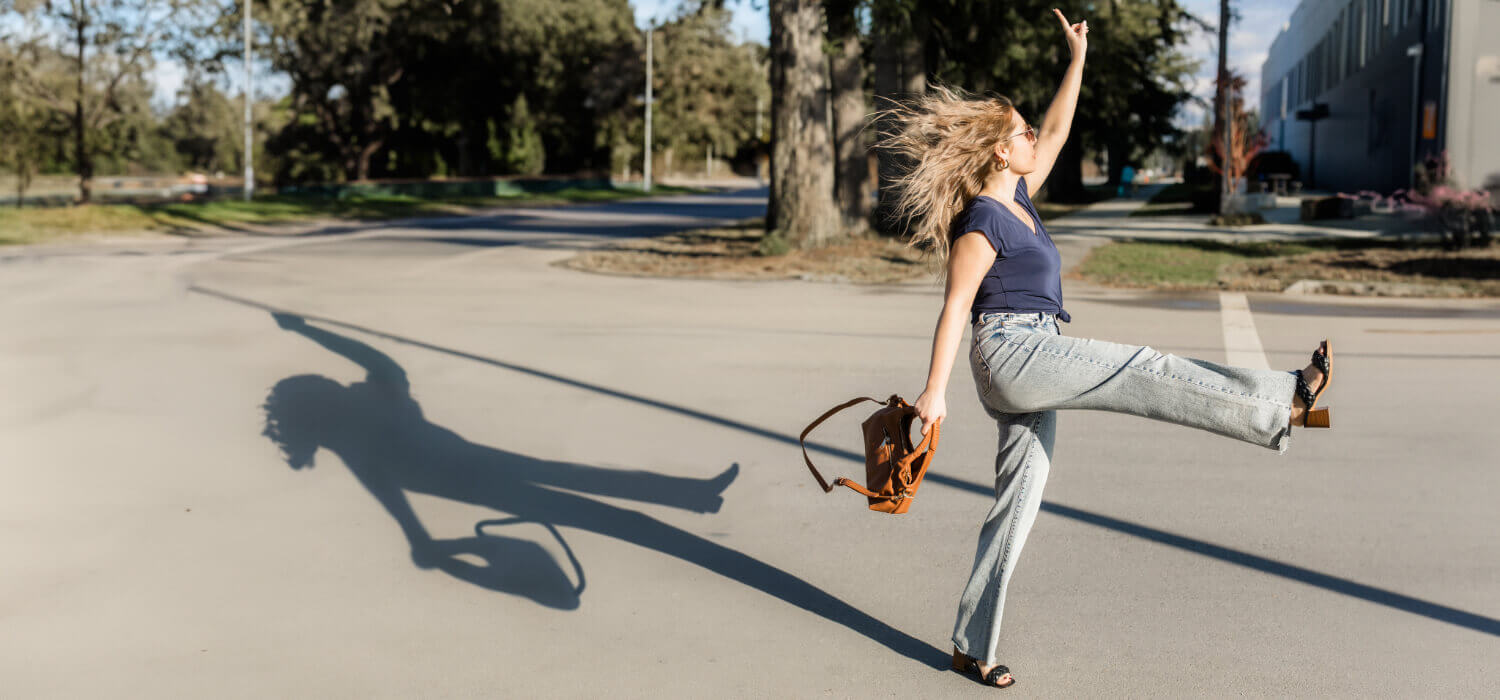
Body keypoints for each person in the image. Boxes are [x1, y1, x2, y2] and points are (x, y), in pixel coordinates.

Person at [875, 9, 1333, 690]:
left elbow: (1058, 127)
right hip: (1011, 355)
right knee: (1147, 368)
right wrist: (934, 392)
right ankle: (1284, 401)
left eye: (1030, 130)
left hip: (1034, 354)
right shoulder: (981, 219)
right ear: (1001, 151)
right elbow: (955, 307)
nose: (1035, 137)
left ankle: (971, 646)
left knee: (1018, 500)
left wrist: (1078, 58)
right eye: (1023, 133)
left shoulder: (1021, 197)